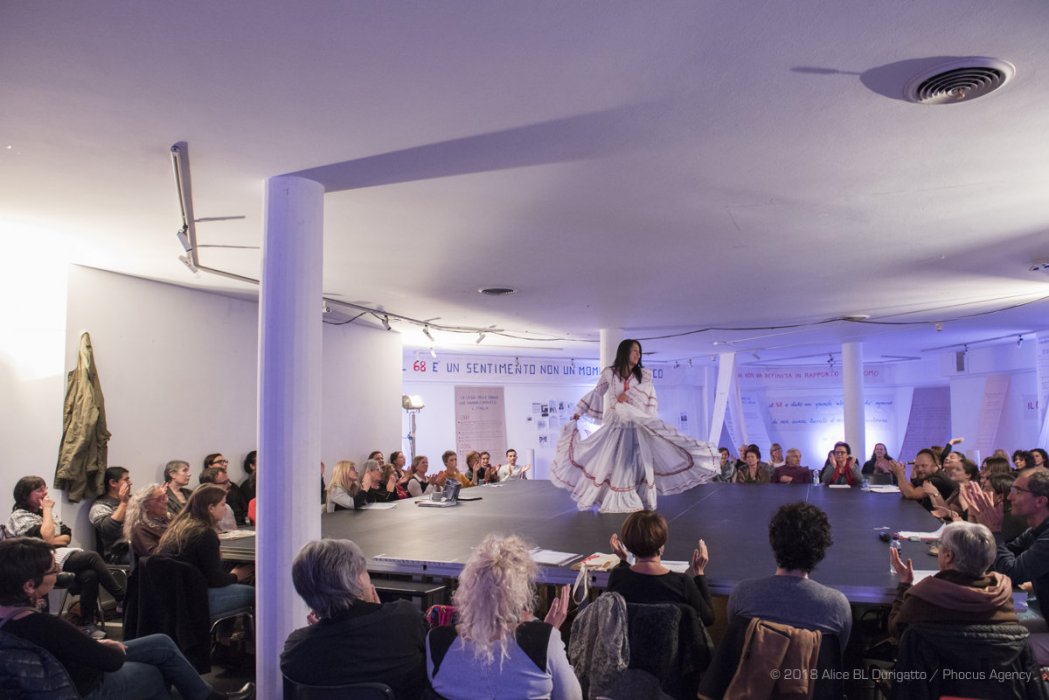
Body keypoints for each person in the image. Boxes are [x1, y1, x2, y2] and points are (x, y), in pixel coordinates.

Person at [0, 537, 252, 700]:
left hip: (59, 673)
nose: (58, 574)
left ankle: (207, 696)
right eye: (53, 570)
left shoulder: (14, 620)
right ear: (29, 585)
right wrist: (105, 647)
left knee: (161, 643)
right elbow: (109, 661)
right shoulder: (43, 625)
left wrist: (96, 644)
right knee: (154, 672)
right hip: (79, 686)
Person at [551, 339, 718, 512]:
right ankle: (619, 496)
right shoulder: (610, 373)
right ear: (625, 352)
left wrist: (630, 398)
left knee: (638, 462)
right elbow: (597, 393)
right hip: (616, 424)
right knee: (614, 461)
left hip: (637, 425)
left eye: (639, 351)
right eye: (634, 351)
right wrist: (579, 411)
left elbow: (648, 395)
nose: (638, 354)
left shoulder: (644, 375)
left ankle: (636, 495)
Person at [426, 534, 578, 700]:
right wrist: (547, 638)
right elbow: (571, 696)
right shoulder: (544, 640)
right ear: (519, 593)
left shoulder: (436, 642)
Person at [282, 539, 427, 698]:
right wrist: (380, 613)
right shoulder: (405, 619)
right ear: (358, 579)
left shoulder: (296, 650)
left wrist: (319, 633)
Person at [8, 476, 125, 638]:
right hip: (34, 563)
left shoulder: (44, 514)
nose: (45, 493)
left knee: (90, 575)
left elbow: (66, 536)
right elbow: (46, 539)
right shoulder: (19, 516)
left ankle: (87, 624)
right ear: (25, 494)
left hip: (54, 555)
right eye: (39, 490)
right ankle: (121, 597)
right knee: (91, 557)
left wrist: (51, 537)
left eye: (45, 489)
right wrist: (47, 512)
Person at [727, 502, 852, 646]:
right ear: (820, 550)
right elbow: (836, 653)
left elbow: (735, 645)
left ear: (774, 541)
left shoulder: (742, 595)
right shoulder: (837, 607)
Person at [967, 467, 1049, 662]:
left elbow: (1012, 572)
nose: (1010, 497)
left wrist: (994, 531)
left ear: (1040, 501)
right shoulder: (1034, 532)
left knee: (996, 648)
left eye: (1017, 491)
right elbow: (997, 558)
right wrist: (980, 524)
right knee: (987, 634)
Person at [887, 521, 1016, 640]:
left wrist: (904, 584)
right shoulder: (1003, 597)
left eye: (940, 545)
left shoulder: (924, 596)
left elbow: (896, 629)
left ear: (948, 556)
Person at [153, 485, 254, 618]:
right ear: (211, 508)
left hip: (172, 596)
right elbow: (215, 580)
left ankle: (223, 631)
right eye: (222, 504)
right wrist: (236, 576)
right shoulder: (204, 533)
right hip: (195, 598)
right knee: (255, 594)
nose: (225, 508)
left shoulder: (177, 528)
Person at [606, 510, 714, 626]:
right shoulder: (682, 583)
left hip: (629, 638)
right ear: (661, 546)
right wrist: (699, 572)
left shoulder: (617, 577)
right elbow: (708, 619)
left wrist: (624, 560)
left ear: (628, 545)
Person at [890, 449, 958, 512]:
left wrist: (900, 474)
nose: (920, 469)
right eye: (917, 466)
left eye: (924, 466)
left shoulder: (937, 480)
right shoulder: (928, 475)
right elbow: (910, 488)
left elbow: (910, 494)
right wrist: (901, 474)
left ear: (935, 465)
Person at [88, 466, 132, 563]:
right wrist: (124, 503)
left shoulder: (134, 500)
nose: (130, 483)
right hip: (118, 553)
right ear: (113, 483)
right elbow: (109, 529)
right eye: (126, 480)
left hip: (139, 544)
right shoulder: (100, 506)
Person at [123, 484, 170, 558]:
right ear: (146, 505)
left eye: (165, 497)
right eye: (160, 499)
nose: (166, 501)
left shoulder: (168, 519)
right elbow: (154, 556)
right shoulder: (140, 529)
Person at [202, 454, 247, 525]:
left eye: (225, 461)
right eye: (220, 462)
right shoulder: (203, 494)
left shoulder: (233, 486)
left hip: (241, 524)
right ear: (210, 466)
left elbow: (244, 507)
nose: (225, 464)